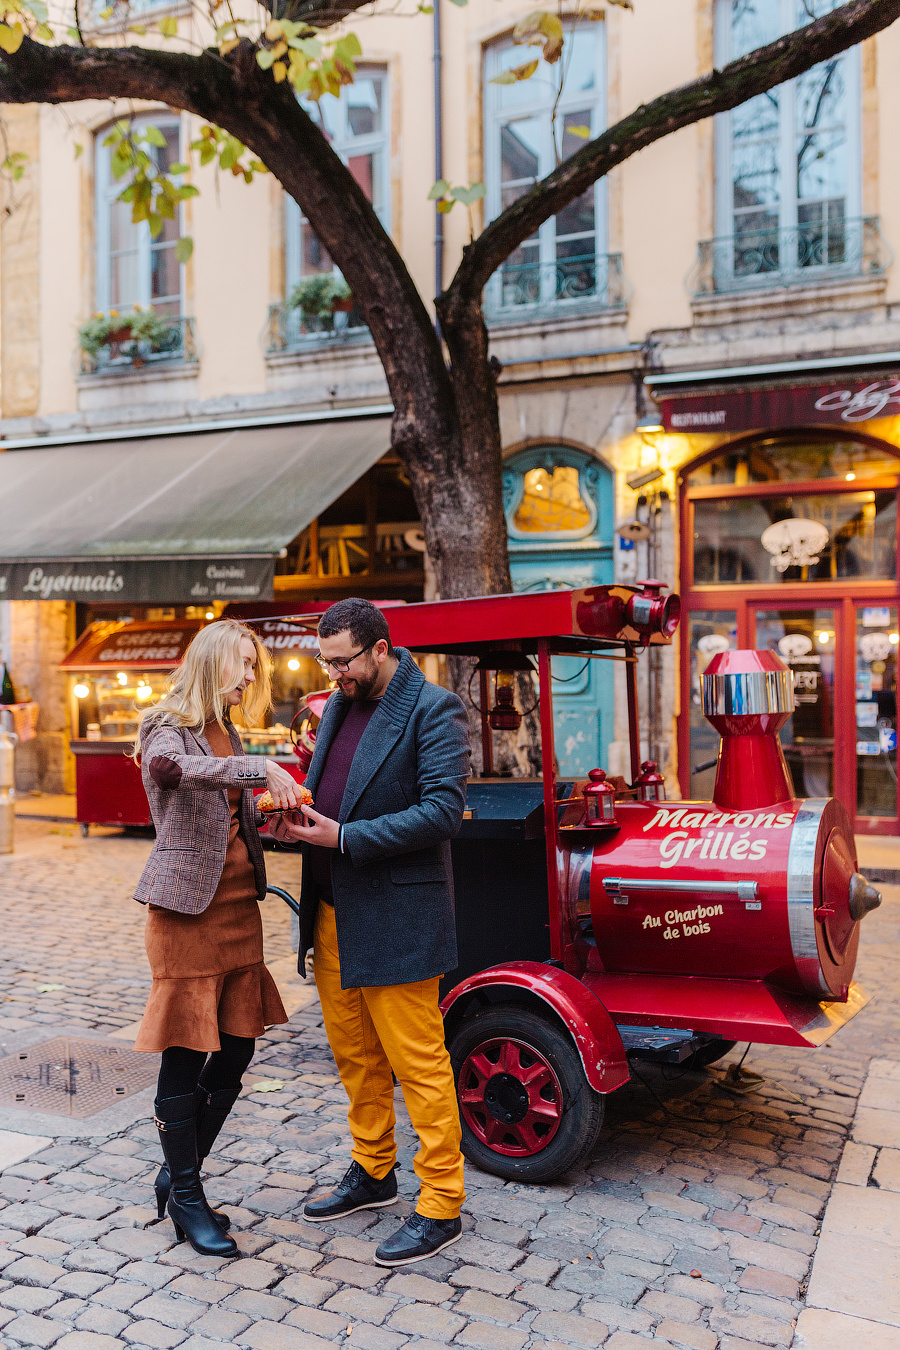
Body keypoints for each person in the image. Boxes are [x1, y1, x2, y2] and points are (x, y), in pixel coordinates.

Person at [277, 597, 470, 1266]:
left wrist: (345, 836)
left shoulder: (433, 708)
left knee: (418, 1063)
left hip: (397, 915)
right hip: (333, 909)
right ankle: (374, 1170)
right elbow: (329, 786)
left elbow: (445, 810)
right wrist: (296, 809)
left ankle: (442, 1203)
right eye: (325, 662)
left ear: (381, 648)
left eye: (343, 661)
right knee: (354, 1056)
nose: (334, 676)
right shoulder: (337, 704)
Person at [131, 619, 305, 1257]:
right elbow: (172, 772)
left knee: (235, 1051)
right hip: (184, 913)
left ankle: (177, 1179)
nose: (254, 675)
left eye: (256, 664)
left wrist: (272, 816)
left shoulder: (227, 730)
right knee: (186, 1053)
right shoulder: (164, 725)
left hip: (237, 907)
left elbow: (228, 809)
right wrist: (261, 768)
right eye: (246, 663)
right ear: (212, 662)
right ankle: (188, 1191)